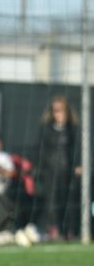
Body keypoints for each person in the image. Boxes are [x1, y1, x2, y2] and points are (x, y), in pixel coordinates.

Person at [35, 95, 81, 240]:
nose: (58, 114)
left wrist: (78, 165)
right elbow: (41, 150)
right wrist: (41, 168)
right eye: (55, 110)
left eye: (61, 110)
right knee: (52, 202)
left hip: (68, 171)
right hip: (50, 171)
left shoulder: (73, 130)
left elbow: (78, 149)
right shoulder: (46, 129)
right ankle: (54, 229)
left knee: (69, 201)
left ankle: (71, 230)